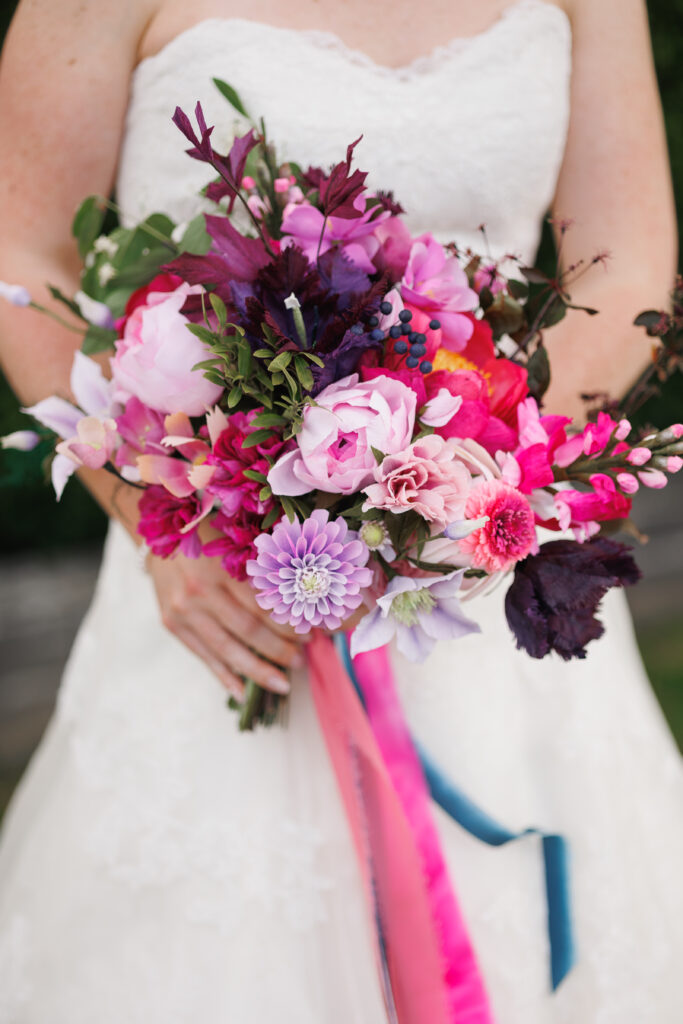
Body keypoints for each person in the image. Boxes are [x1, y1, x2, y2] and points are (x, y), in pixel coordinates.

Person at [0, 0, 681, 1020]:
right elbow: (22, 260)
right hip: (224, 588)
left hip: (492, 580)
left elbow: (628, 255)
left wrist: (470, 475)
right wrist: (154, 511)